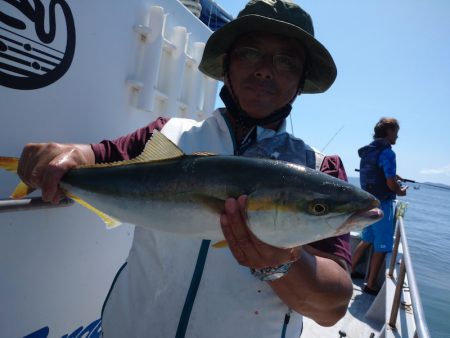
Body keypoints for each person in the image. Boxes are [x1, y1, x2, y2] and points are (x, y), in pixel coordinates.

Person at [16, 1, 354, 336]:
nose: (265, 69)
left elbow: (332, 308)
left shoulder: (320, 174)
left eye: (286, 61)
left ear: (300, 81)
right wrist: (65, 156)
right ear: (226, 66)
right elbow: (98, 155)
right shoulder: (166, 134)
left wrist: (282, 262)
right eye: (249, 53)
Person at [351, 117, 407, 295]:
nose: (397, 136)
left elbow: (378, 171)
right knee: (382, 245)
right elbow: (391, 185)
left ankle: (349, 270)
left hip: (367, 202)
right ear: (389, 132)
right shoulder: (388, 153)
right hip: (382, 204)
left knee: (367, 238)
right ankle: (371, 284)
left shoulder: (368, 151)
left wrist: (392, 175)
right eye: (396, 132)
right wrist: (401, 191)